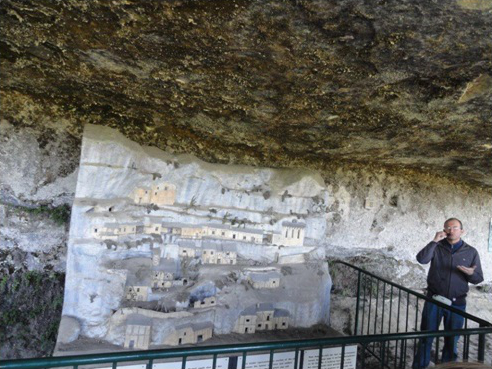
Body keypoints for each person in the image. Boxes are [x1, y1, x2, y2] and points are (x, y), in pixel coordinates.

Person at [412, 218, 484, 369]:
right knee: (426, 337)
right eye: (448, 228)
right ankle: (419, 366)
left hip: (457, 303)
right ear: (444, 230)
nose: (451, 230)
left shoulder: (471, 251)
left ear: (462, 231)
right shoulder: (436, 247)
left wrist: (471, 273)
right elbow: (422, 259)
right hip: (434, 301)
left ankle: (448, 367)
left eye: (455, 228)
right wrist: (434, 241)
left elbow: (478, 279)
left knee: (452, 340)